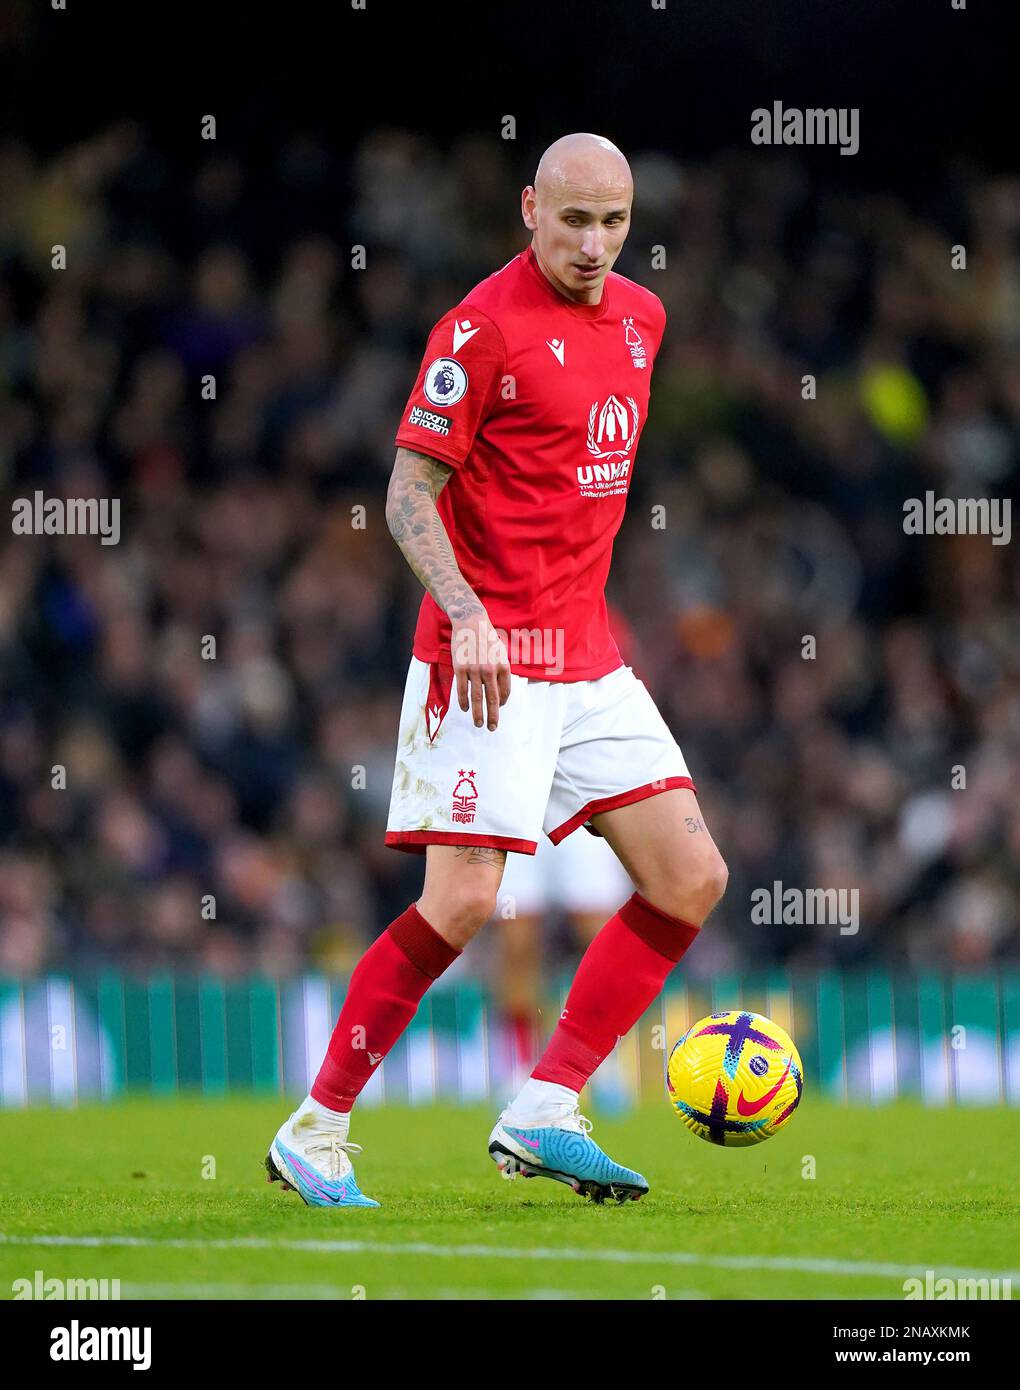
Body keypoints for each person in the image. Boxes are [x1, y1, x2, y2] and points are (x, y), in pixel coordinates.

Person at [265, 132, 728, 1207]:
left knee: (691, 878)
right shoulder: (478, 331)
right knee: (467, 902)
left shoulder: (645, 320)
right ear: (531, 208)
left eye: (614, 221)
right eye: (574, 219)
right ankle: (317, 1127)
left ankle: (546, 1106)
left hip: (589, 658)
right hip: (485, 663)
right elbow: (406, 493)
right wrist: (467, 613)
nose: (595, 244)